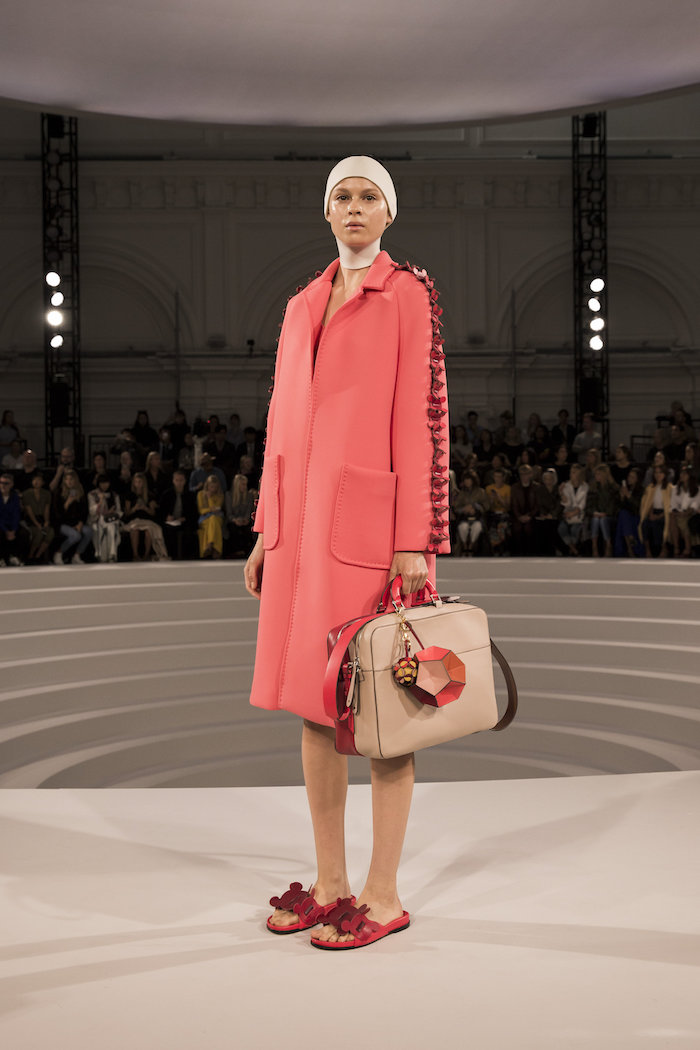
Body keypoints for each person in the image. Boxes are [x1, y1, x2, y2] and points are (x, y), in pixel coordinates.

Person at [243, 157, 450, 949]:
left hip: (373, 532)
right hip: (299, 534)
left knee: (383, 711)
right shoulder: (302, 303)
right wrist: (264, 529)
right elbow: (280, 422)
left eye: (368, 197)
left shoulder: (408, 294)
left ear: (388, 213)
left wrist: (415, 539)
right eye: (342, 196)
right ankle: (331, 883)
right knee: (313, 703)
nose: (354, 207)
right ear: (327, 212)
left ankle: (383, 894)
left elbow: (422, 419)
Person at [122, 473, 169, 561]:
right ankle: (135, 555)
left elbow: (153, 513)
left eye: (140, 482)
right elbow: (127, 513)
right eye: (136, 482)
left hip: (146, 520)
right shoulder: (129, 495)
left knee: (149, 531)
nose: (138, 484)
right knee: (135, 530)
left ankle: (146, 555)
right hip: (134, 520)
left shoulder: (149, 495)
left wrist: (145, 508)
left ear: (143, 483)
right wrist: (134, 509)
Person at [52, 469, 93, 565]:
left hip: (76, 523)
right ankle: (58, 553)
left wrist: (80, 523)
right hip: (62, 524)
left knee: (89, 531)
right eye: (67, 479)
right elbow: (57, 514)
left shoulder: (80, 492)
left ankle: (77, 555)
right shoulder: (59, 492)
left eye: (71, 479)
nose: (69, 482)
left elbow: (84, 511)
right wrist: (67, 503)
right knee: (76, 536)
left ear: (75, 480)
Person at [161, 469, 198, 559]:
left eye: (181, 480)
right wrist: (167, 517)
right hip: (170, 522)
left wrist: (185, 518)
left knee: (188, 532)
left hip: (185, 521)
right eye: (177, 480)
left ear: (185, 481)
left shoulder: (190, 495)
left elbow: (194, 512)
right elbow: (161, 510)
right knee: (168, 531)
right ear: (173, 481)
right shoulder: (167, 494)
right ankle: (171, 555)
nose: (179, 483)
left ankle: (186, 557)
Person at [639, 464, 672, 557]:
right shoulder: (650, 488)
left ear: (665, 474)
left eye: (660, 472)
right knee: (645, 523)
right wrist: (651, 514)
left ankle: (663, 548)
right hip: (653, 512)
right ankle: (647, 550)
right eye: (656, 473)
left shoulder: (670, 488)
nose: (658, 475)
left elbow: (670, 506)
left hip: (665, 513)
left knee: (658, 523)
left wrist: (659, 516)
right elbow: (648, 503)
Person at [587, 463, 620, 557]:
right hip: (597, 515)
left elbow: (614, 505)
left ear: (604, 475)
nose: (596, 476)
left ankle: (608, 545)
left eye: (599, 474)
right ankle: (594, 546)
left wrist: (606, 513)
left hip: (610, 516)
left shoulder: (612, 488)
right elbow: (589, 504)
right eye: (596, 474)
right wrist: (594, 512)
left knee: (603, 520)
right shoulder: (593, 487)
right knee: (596, 520)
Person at [88, 474, 123, 562]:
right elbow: (92, 511)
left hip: (111, 520)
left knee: (112, 527)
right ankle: (102, 555)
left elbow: (119, 511)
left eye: (106, 482)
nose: (104, 485)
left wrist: (112, 513)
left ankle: (112, 554)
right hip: (97, 520)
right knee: (101, 527)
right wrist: (100, 502)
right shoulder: (92, 494)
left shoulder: (114, 495)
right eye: (102, 483)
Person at [21, 472, 54, 563]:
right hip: (30, 520)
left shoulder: (46, 493)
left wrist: (46, 521)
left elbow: (47, 509)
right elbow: (29, 510)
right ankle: (30, 556)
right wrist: (37, 523)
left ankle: (38, 556)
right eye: (34, 480)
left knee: (50, 532)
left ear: (43, 482)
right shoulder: (26, 493)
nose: (36, 482)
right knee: (39, 533)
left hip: (42, 518)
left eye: (39, 480)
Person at [669, 467, 700, 558]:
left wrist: (685, 513)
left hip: (691, 513)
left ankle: (686, 547)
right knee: (672, 517)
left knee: (682, 519)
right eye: (681, 473)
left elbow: (695, 504)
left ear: (690, 476)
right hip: (678, 512)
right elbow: (673, 504)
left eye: (684, 474)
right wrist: (677, 512)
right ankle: (677, 547)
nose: (681, 475)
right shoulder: (676, 489)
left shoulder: (697, 489)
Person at [614, 468, 645, 558]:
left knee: (623, 517)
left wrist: (628, 496)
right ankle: (630, 543)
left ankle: (629, 548)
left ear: (637, 479)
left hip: (636, 515)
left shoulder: (641, 490)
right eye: (629, 476)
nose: (629, 479)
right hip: (625, 516)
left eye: (632, 477)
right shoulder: (625, 488)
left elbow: (638, 507)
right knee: (623, 514)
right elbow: (619, 507)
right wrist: (622, 498)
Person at [558, 464, 588, 556]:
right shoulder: (566, 485)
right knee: (561, 528)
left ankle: (572, 549)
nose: (571, 474)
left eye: (573, 472)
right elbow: (567, 503)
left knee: (575, 530)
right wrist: (561, 493)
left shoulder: (585, 486)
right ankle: (573, 549)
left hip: (578, 514)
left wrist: (574, 513)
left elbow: (582, 504)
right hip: (568, 514)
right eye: (571, 472)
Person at [510, 463, 538, 556]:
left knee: (528, 529)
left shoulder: (536, 487)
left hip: (532, 515)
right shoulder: (514, 487)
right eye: (522, 474)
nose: (524, 477)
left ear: (531, 474)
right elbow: (514, 504)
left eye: (526, 474)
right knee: (517, 529)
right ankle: (518, 554)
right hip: (518, 515)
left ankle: (529, 554)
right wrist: (519, 516)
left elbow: (537, 504)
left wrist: (530, 516)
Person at [226, 472, 255, 557]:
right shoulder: (229, 495)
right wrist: (235, 520)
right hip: (232, 520)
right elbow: (229, 513)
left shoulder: (249, 496)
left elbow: (248, 511)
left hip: (245, 520)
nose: (245, 486)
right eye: (243, 484)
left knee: (248, 528)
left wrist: (246, 519)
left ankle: (246, 552)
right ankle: (236, 551)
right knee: (233, 528)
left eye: (245, 484)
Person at [197, 474, 225, 558]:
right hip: (204, 519)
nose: (213, 489)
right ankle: (216, 550)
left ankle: (209, 545)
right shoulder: (200, 494)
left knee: (213, 520)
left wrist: (209, 499)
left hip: (218, 517)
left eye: (215, 487)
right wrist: (210, 509)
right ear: (207, 486)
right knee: (212, 521)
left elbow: (217, 509)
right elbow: (201, 511)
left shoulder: (220, 495)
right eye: (211, 487)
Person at [534, 468, 561, 555]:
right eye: (546, 479)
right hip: (544, 514)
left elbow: (559, 504)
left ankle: (553, 550)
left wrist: (552, 514)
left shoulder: (558, 489)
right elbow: (539, 504)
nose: (548, 481)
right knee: (542, 524)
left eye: (550, 479)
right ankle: (543, 551)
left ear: (554, 479)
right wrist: (544, 514)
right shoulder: (540, 490)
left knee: (552, 524)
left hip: (556, 515)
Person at [0, 472, 23, 566]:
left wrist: (13, 530)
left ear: (11, 484)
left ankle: (14, 556)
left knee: (23, 533)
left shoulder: (15, 497)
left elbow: (16, 515)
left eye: (6, 483)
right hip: (1, 523)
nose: (3, 485)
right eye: (1, 483)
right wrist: (6, 530)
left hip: (10, 523)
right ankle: (1, 558)